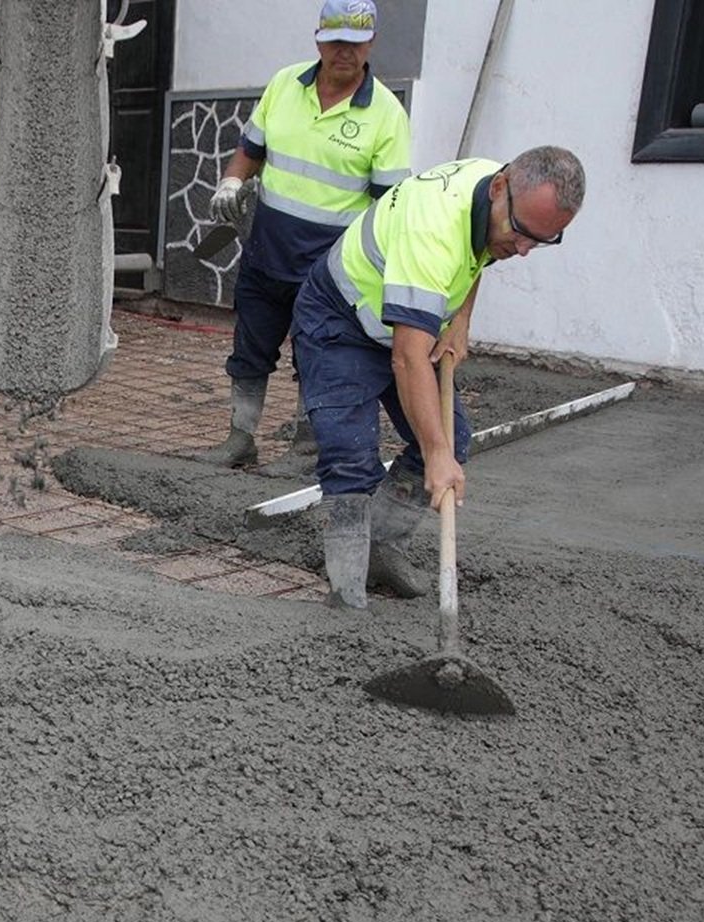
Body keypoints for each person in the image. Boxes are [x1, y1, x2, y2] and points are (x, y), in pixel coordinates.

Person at [290, 147, 586, 608]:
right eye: (524, 233)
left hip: (403, 322)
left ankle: (382, 549)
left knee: (455, 437)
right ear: (500, 189)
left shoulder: (496, 197)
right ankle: (346, 598)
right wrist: (435, 456)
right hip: (340, 321)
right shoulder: (434, 228)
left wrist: (461, 319)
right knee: (350, 455)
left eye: (544, 240)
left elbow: (481, 254)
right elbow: (408, 359)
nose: (525, 250)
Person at [200, 0, 410, 468]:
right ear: (318, 39)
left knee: (315, 357)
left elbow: (389, 207)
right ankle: (240, 439)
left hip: (328, 269)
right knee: (250, 349)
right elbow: (249, 150)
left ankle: (306, 446)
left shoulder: (385, 115)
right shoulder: (284, 85)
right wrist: (233, 180)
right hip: (266, 251)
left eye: (355, 43)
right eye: (336, 41)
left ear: (371, 43)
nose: (344, 52)